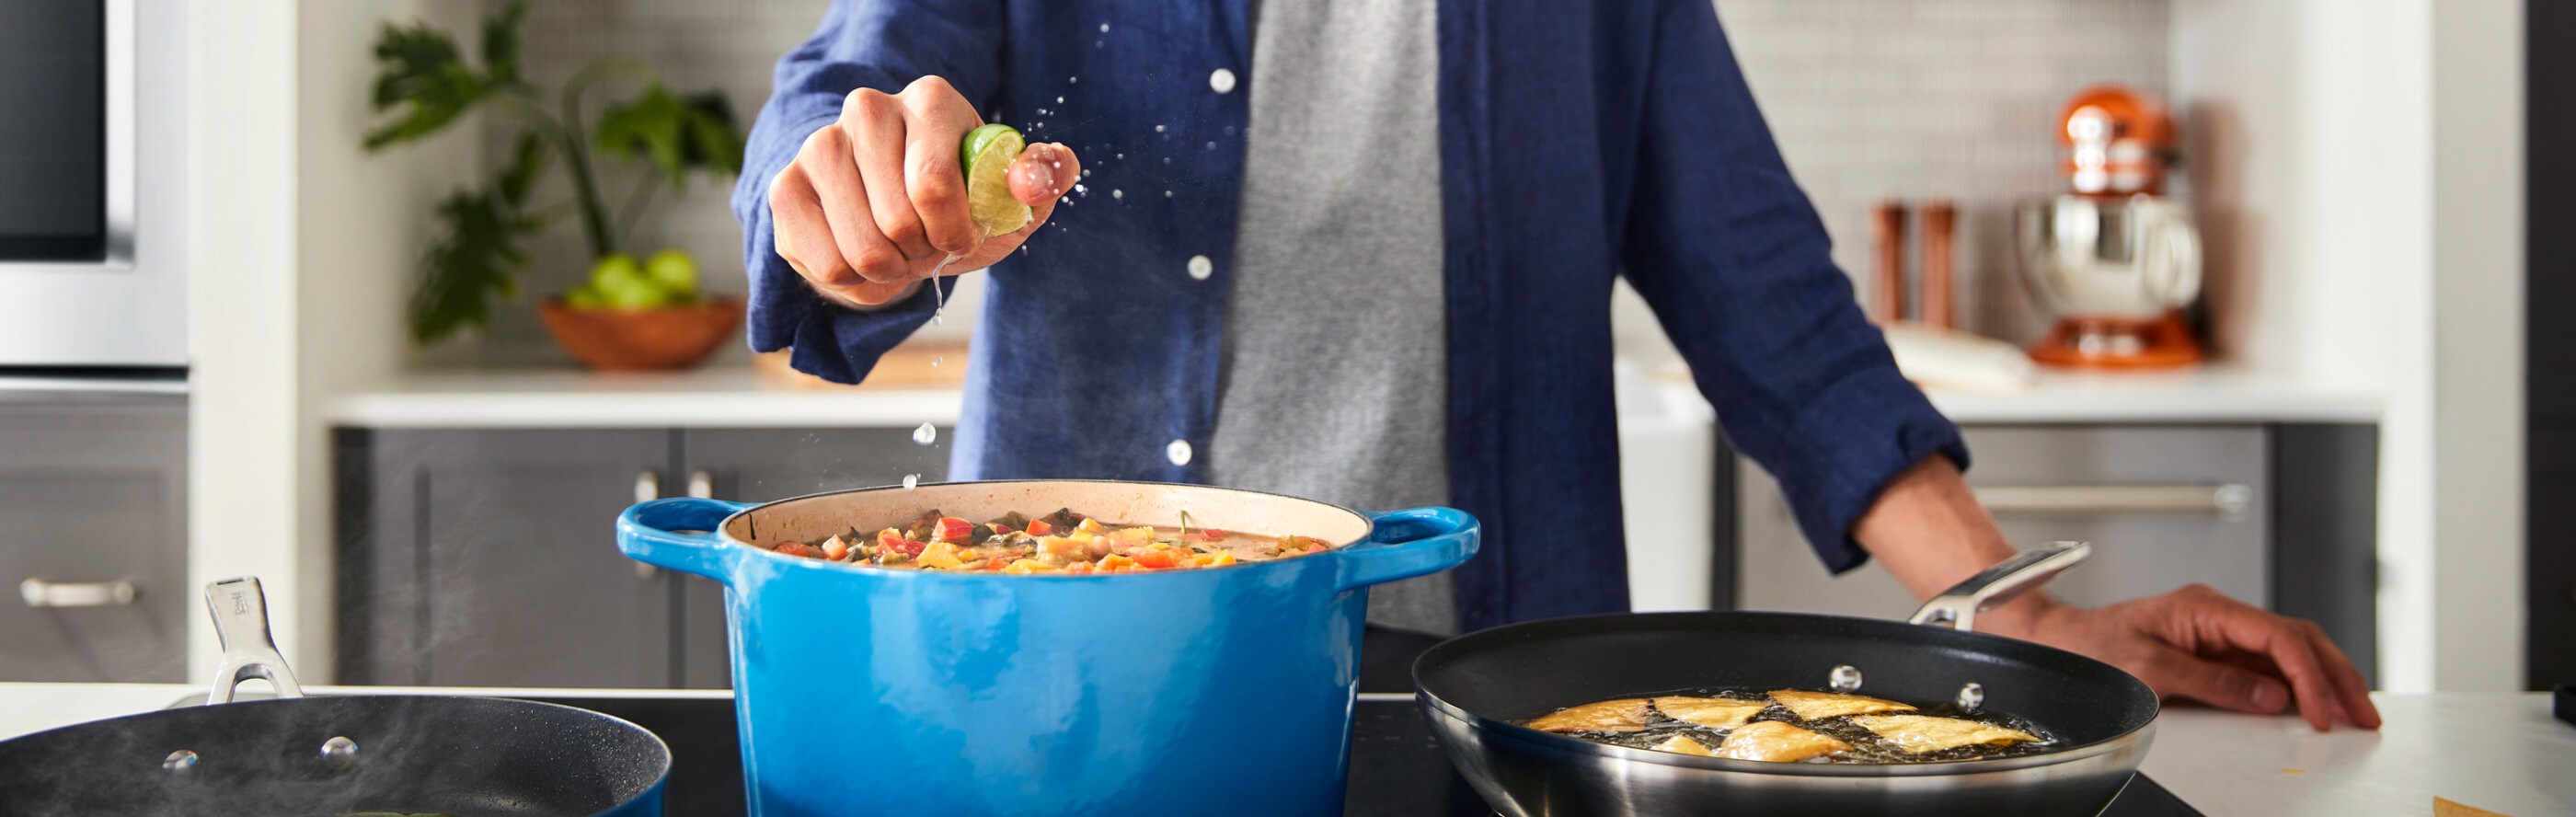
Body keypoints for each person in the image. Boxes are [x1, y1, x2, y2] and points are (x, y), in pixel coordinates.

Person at [734, 0, 2381, 731]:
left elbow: (1772, 311)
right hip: (1076, 682)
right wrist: (838, 200)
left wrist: (2019, 611)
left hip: (1482, 688)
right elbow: (850, 96)